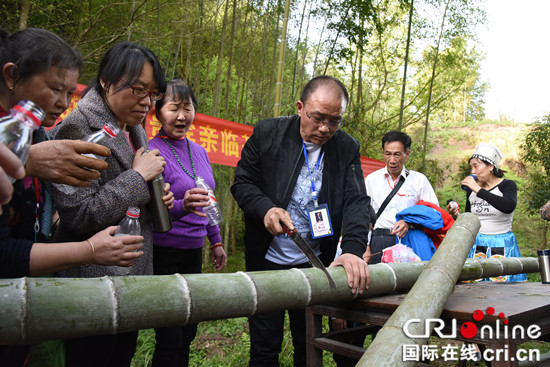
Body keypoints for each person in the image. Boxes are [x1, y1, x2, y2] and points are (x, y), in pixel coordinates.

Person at [0, 27, 144, 367]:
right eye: (54, 88)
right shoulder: (62, 134)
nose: (64, 103)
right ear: (11, 76)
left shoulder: (38, 135)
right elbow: (6, 251)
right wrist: (91, 250)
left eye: (70, 91)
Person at [231, 75, 370, 366]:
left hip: (315, 262)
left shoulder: (346, 148)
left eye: (335, 121)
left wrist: (352, 250)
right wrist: (266, 208)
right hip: (267, 262)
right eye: (318, 118)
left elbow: (358, 201)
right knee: (264, 347)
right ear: (299, 107)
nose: (324, 129)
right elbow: (243, 183)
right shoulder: (268, 133)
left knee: (309, 344)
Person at [52, 41, 174, 367]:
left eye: (154, 94)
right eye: (138, 90)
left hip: (130, 279)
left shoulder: (135, 127)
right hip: (93, 288)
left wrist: (154, 196)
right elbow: (78, 213)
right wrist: (138, 177)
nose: (147, 102)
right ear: (106, 81)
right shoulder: (80, 127)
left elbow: (131, 192)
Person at [148, 79, 227, 367]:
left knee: (189, 330)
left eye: (187, 108)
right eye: (174, 108)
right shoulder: (151, 151)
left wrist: (215, 240)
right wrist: (183, 205)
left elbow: (208, 198)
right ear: (157, 112)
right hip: (163, 252)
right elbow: (152, 211)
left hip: (193, 251)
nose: (181, 116)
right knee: (170, 337)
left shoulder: (200, 151)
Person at [448, 143, 526, 282]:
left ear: (491, 166)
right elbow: (470, 218)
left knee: (502, 287)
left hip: (500, 242)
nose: (473, 171)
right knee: (474, 288)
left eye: (476, 166)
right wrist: (457, 216)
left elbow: (508, 206)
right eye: (471, 167)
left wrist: (478, 189)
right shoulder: (471, 191)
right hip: (476, 244)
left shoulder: (507, 185)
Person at [364, 131, 439, 264]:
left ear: (407, 154)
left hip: (409, 241)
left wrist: (409, 222)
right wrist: (366, 246)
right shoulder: (371, 180)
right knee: (380, 283)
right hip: (379, 240)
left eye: (397, 154)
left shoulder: (418, 180)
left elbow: (434, 212)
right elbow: (364, 218)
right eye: (388, 154)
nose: (392, 160)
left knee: (411, 283)